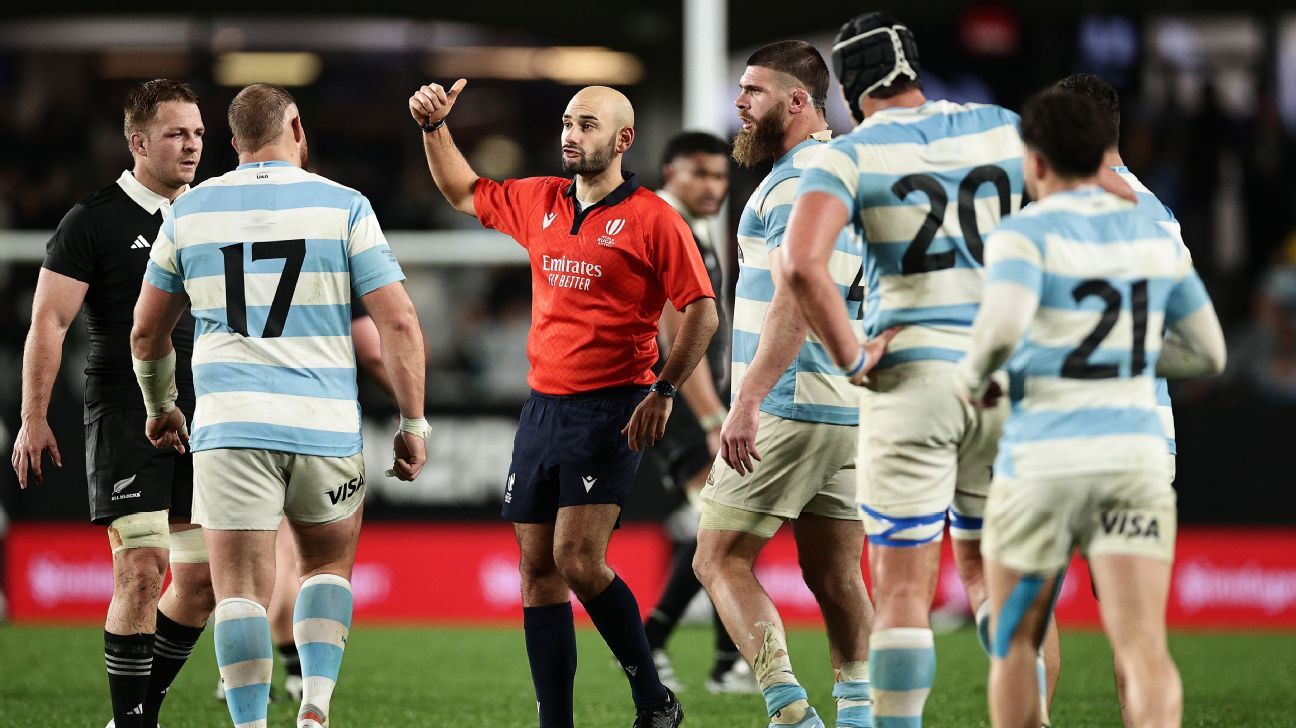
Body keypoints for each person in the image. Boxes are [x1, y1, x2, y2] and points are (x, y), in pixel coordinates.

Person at [410, 80, 717, 728]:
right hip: (543, 408)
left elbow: (702, 312)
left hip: (613, 406)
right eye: (566, 123)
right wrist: (436, 129)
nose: (570, 135)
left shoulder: (654, 219)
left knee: (578, 560)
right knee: (537, 572)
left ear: (622, 140)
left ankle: (653, 698)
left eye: (585, 125)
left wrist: (664, 390)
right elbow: (464, 189)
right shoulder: (541, 199)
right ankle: (559, 723)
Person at [130, 83, 429, 728]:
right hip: (323, 426)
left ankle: (250, 725)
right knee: (325, 566)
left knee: (237, 590)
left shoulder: (189, 212)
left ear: (231, 141)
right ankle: (315, 706)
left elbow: (146, 333)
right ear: (296, 126)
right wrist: (411, 420)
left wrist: (160, 405)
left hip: (230, 427)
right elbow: (399, 322)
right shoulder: (344, 206)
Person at [781, 13, 1042, 726]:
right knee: (994, 575)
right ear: (914, 70)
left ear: (848, 86)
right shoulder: (1002, 125)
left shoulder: (849, 155)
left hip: (913, 374)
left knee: (902, 589)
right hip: (1004, 376)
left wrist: (852, 355)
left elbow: (802, 264)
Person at [956, 90, 1225, 728]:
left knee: (1017, 642)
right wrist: (1124, 361)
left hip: (1042, 460)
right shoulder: (1154, 226)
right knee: (1142, 645)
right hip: (1134, 455)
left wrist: (973, 379)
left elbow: (998, 335)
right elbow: (1210, 354)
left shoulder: (1025, 231)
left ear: (1038, 160)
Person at [10, 78, 213, 728]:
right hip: (128, 415)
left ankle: (137, 710)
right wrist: (33, 418)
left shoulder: (210, 215)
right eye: (177, 134)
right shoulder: (93, 221)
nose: (191, 146)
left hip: (205, 419)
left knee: (203, 584)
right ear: (137, 141)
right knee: (142, 571)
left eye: (200, 134)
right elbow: (48, 324)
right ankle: (132, 724)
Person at [689, 41, 878, 728]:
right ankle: (858, 714)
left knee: (718, 560)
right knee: (835, 575)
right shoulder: (848, 172)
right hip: (846, 406)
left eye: (754, 92)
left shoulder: (798, 182)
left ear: (799, 101)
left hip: (789, 398)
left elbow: (799, 293)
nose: (740, 104)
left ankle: (790, 709)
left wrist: (746, 399)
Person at [1050, 72, 1187, 727]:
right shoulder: (1159, 214)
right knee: (1137, 628)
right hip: (1138, 438)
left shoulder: (1047, 211)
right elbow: (1195, 339)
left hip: (1054, 437)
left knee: (1029, 613)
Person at [642, 131, 755, 695]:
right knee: (721, 525)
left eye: (719, 176)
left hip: (690, 396)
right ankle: (662, 644)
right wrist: (713, 418)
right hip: (680, 398)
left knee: (719, 525)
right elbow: (672, 330)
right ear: (669, 171)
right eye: (700, 174)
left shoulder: (691, 224)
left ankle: (715, 660)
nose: (713, 186)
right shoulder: (666, 222)